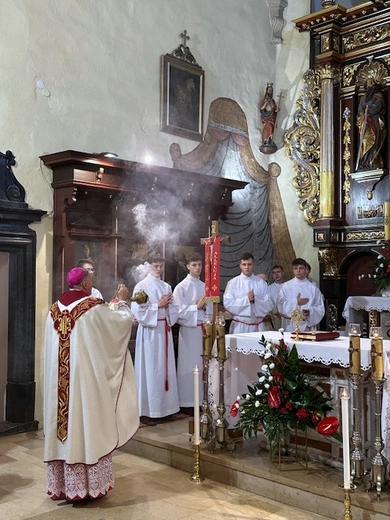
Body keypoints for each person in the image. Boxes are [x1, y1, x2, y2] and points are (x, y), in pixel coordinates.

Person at [44, 267, 139, 502]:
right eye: (91, 279)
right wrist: (123, 303)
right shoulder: (92, 307)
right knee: (86, 420)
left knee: (65, 422)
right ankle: (86, 487)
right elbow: (116, 326)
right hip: (83, 380)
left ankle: (65, 485)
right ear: (85, 283)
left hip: (60, 382)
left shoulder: (54, 309)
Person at [130, 253, 180, 419]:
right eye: (155, 266)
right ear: (147, 265)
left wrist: (168, 307)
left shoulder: (166, 286)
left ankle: (166, 409)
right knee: (151, 369)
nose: (159, 269)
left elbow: (174, 310)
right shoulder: (141, 287)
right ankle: (148, 410)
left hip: (163, 330)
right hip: (150, 333)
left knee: (165, 369)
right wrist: (159, 305)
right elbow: (139, 311)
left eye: (161, 266)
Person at [172, 252, 209, 409]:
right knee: (189, 364)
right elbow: (178, 313)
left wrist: (207, 309)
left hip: (203, 329)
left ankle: (203, 399)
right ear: (187, 266)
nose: (197, 268)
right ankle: (188, 401)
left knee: (204, 364)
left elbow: (210, 310)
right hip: (189, 331)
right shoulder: (181, 287)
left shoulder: (204, 286)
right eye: (194, 265)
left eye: (199, 265)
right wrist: (197, 306)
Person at [223, 252, 273, 334]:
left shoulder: (261, 283)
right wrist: (247, 300)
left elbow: (269, 304)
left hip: (258, 326)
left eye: (249, 264)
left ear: (254, 265)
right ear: (240, 265)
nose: (247, 267)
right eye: (244, 264)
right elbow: (228, 303)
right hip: (240, 326)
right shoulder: (233, 283)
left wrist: (255, 300)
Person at [277, 258, 324, 332]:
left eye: (301, 268)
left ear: (306, 270)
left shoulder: (313, 288)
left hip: (307, 325)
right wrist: (296, 302)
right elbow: (280, 305)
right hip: (290, 325)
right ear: (293, 270)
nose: (298, 270)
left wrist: (310, 311)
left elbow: (320, 308)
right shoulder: (285, 286)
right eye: (295, 268)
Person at [356, 77, 386, 170]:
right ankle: (365, 162)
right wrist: (362, 114)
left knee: (374, 140)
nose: (371, 84)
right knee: (365, 140)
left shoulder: (379, 96)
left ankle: (373, 161)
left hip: (374, 120)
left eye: (372, 82)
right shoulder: (363, 98)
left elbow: (377, 107)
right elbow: (360, 107)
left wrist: (368, 111)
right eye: (369, 83)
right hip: (365, 121)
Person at [260, 82, 278, 148]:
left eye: (271, 90)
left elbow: (275, 109)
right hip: (266, 117)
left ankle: (270, 140)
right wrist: (266, 103)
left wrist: (277, 110)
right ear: (267, 90)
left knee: (271, 127)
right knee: (269, 126)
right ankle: (266, 140)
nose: (270, 92)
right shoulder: (265, 100)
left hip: (272, 117)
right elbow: (261, 109)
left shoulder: (273, 101)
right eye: (269, 90)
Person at [268, 264, 284, 330]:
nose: (276, 274)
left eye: (278, 272)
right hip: (275, 318)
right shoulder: (269, 288)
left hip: (286, 317)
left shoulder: (288, 287)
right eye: (274, 273)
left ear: (283, 273)